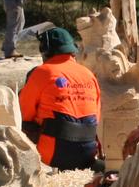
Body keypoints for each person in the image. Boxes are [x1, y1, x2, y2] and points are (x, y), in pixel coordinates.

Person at [18, 26, 102, 170]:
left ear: (45, 50)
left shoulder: (42, 72)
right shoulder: (89, 74)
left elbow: (24, 113)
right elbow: (97, 116)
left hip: (53, 154)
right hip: (88, 153)